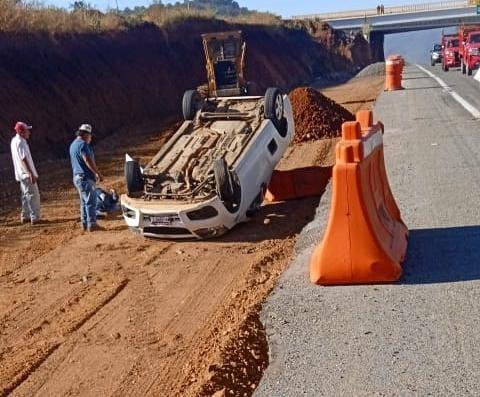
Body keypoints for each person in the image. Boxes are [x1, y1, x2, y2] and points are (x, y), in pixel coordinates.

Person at [69, 124, 104, 232]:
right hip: (85, 177)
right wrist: (97, 173)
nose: (91, 138)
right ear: (85, 134)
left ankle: (84, 223)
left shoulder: (73, 144)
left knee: (84, 201)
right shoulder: (83, 145)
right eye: (90, 135)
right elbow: (87, 160)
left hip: (77, 177)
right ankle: (92, 224)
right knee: (90, 201)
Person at [10, 121, 41, 225]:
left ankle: (25, 216)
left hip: (20, 173)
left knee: (25, 195)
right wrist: (31, 173)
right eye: (27, 130)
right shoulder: (21, 142)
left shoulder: (14, 141)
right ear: (21, 132)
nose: (29, 132)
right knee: (33, 195)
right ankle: (35, 218)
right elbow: (23, 158)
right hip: (26, 173)